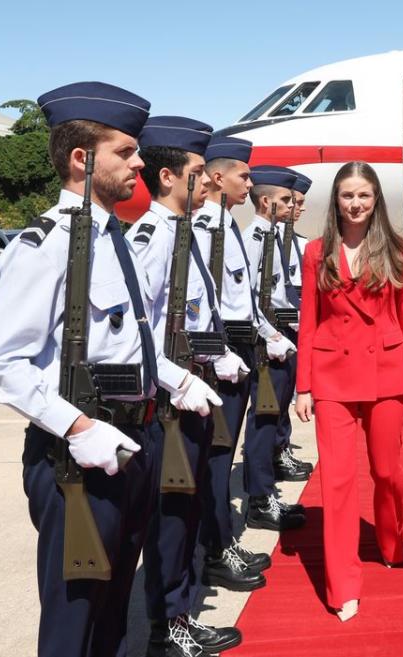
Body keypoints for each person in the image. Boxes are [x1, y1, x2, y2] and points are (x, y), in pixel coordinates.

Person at [0, 82, 216, 657]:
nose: (140, 162)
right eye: (125, 151)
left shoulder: (114, 238)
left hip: (130, 444)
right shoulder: (45, 246)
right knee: (77, 623)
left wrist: (175, 379)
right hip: (78, 459)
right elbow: (4, 364)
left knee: (115, 615)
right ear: (81, 159)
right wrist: (76, 428)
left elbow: (130, 345)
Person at [127, 115, 247, 656]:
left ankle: (185, 605)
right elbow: (140, 331)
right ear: (171, 177)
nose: (209, 182)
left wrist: (217, 355)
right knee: (171, 520)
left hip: (196, 392)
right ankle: (168, 625)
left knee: (189, 509)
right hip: (170, 402)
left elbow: (195, 316)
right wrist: (179, 381)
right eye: (200, 172)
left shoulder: (183, 232)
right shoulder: (152, 237)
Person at [294, 161, 403, 622]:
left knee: (387, 473)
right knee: (335, 484)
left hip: (386, 375)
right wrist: (304, 387)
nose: (355, 204)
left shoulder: (394, 249)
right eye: (347, 195)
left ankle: (391, 540)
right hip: (332, 377)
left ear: (376, 200)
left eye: (364, 196)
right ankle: (343, 585)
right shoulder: (316, 252)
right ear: (335, 200)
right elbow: (309, 324)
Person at [192, 135, 285, 593]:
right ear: (217, 177)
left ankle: (221, 539)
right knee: (215, 459)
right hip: (219, 354)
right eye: (243, 175)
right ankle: (215, 547)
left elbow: (243, 298)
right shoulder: (207, 228)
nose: (250, 183)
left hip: (240, 349)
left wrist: (269, 335)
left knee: (221, 454)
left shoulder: (226, 225)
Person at [242, 166, 308, 531]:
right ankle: (259, 499)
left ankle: (265, 492)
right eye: (285, 199)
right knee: (264, 421)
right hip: (269, 345)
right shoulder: (254, 240)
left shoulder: (272, 238)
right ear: (267, 203)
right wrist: (272, 336)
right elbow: (247, 299)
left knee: (272, 417)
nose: (291, 205)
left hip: (281, 338)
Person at [268, 170, 314, 477]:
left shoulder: (297, 241)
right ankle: (277, 452)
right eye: (293, 202)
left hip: (296, 323)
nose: (299, 208)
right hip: (279, 327)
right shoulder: (270, 241)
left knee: (285, 397)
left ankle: (282, 448)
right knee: (276, 399)